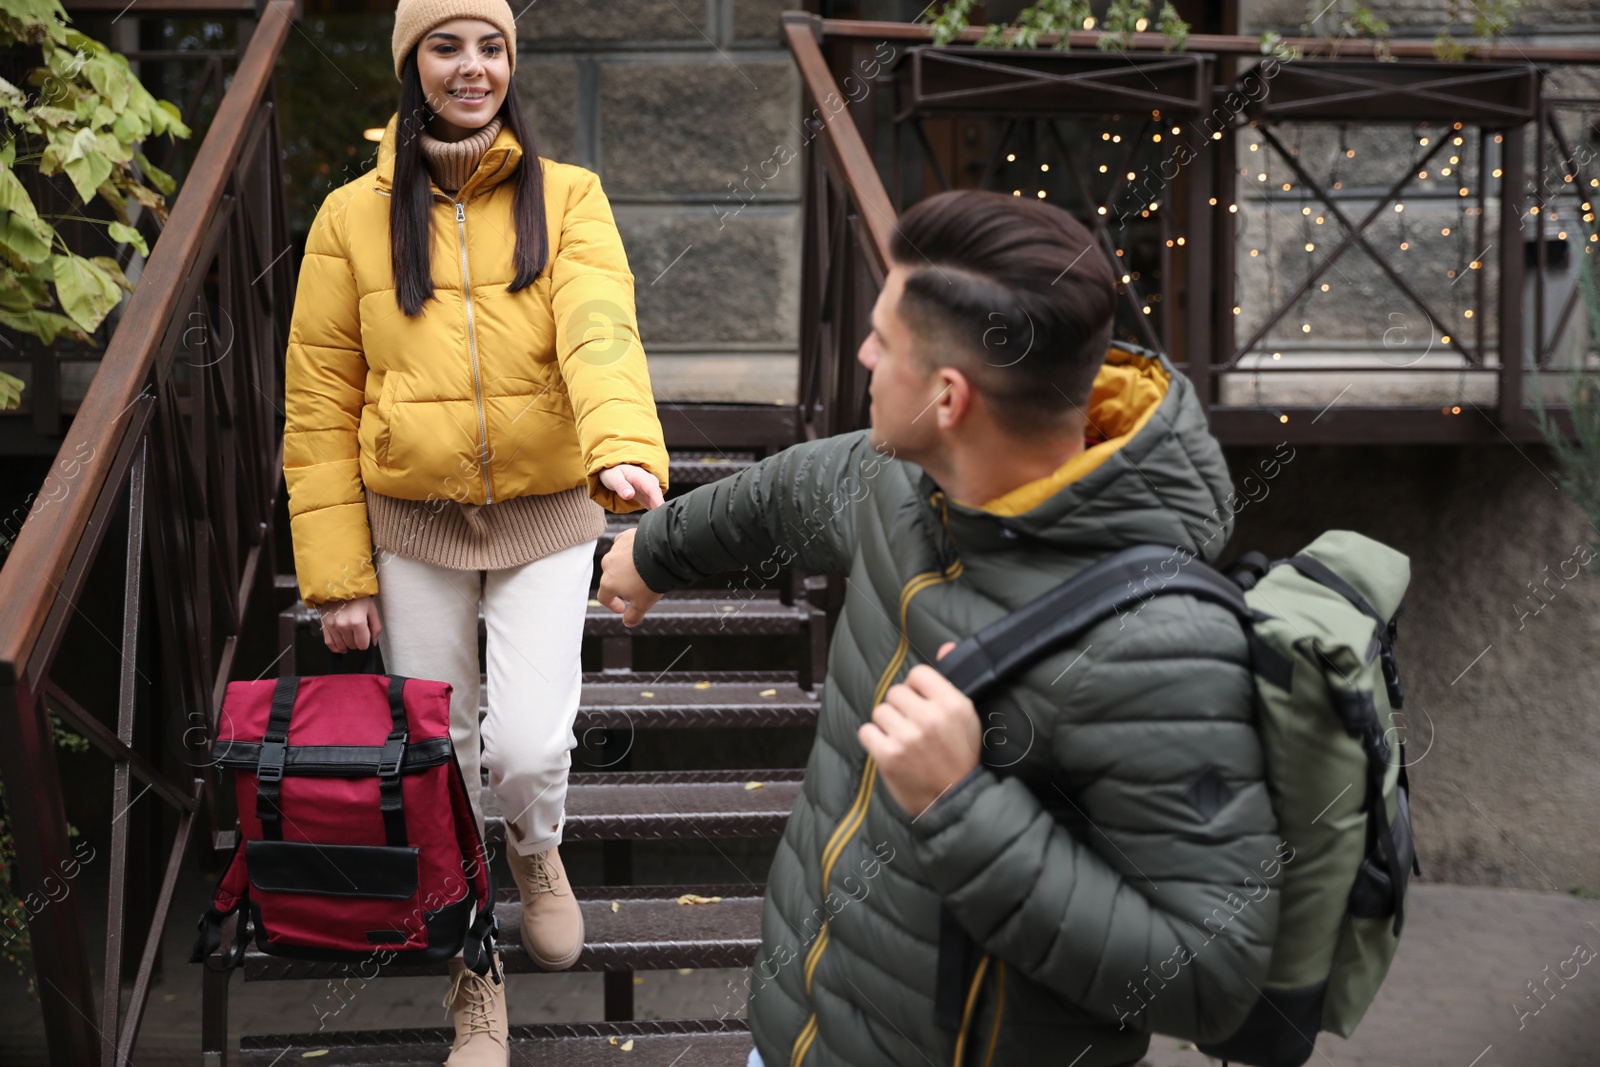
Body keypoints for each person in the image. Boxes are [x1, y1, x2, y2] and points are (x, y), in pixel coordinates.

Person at [598, 190, 1280, 1066]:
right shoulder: (905, 479)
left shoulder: (1162, 646)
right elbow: (788, 490)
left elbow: (1214, 979)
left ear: (949, 397)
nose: (863, 353)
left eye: (883, 340)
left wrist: (961, 806)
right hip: (794, 1038)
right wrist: (656, 550)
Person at [281, 2, 668, 1062]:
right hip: (412, 526)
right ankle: (473, 975)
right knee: (438, 760)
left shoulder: (570, 197)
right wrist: (333, 578)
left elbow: (598, 327)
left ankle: (536, 848)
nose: (473, 67)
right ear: (413, 64)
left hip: (547, 515)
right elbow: (319, 401)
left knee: (529, 743)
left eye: (491, 45)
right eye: (447, 46)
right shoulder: (349, 217)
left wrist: (622, 444)